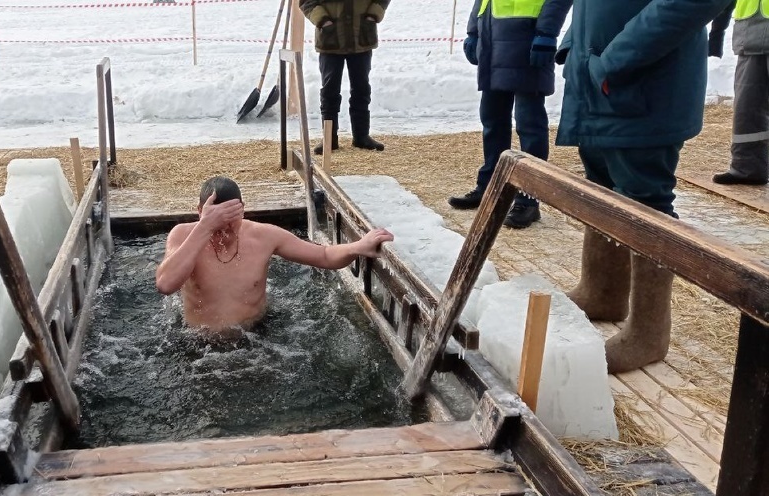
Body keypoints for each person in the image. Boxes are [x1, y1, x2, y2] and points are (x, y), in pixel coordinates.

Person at [556, 0, 731, 372]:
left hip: (643, 81)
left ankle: (648, 333)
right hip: (599, 79)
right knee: (601, 187)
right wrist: (574, 47)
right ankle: (601, 292)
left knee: (646, 202)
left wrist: (614, 60)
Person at [155, 177, 394, 333]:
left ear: (243, 210)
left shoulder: (262, 236)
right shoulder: (183, 235)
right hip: (198, 344)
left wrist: (357, 247)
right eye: (218, 222)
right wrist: (205, 227)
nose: (226, 230)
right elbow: (166, 284)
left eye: (232, 221)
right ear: (200, 212)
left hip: (256, 337)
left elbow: (323, 255)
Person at [447, 0, 572, 229]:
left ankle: (529, 199)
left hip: (530, 40)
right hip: (492, 43)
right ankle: (491, 188)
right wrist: (473, 30)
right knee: (492, 121)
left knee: (529, 126)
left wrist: (547, 32)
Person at [300, 0, 390, 155]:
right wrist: (323, 20)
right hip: (331, 39)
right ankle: (329, 140)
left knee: (361, 89)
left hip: (361, 36)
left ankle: (361, 137)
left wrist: (373, 15)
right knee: (329, 91)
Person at [710, 0, 769, 186]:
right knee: (747, 109)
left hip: (750, 38)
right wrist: (716, 34)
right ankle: (747, 168)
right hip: (750, 39)